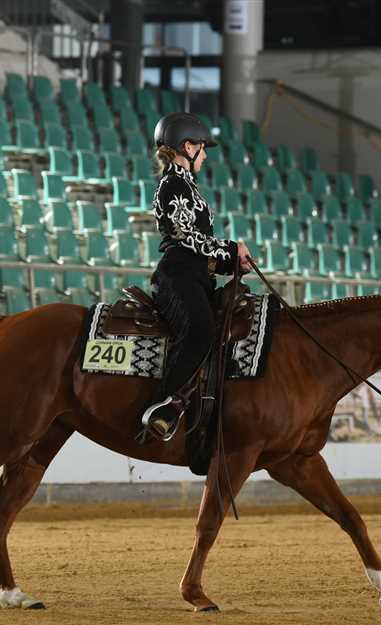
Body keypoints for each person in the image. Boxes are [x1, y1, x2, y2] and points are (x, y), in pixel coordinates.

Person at [140, 112, 253, 442]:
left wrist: (229, 265)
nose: (205, 155)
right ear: (188, 147)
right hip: (178, 277)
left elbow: (197, 250)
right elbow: (185, 237)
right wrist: (231, 249)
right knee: (201, 330)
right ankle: (164, 407)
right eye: (202, 148)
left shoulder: (187, 185)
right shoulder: (172, 185)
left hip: (194, 274)